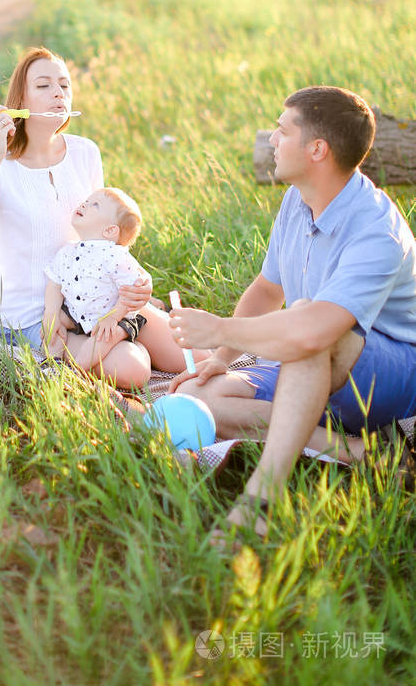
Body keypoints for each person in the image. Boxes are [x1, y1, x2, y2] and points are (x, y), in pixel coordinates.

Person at [168, 86, 416, 539]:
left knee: (308, 325)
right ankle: (360, 454)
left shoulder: (378, 231)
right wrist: (221, 356)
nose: (272, 141)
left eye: (282, 131)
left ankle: (258, 503)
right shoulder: (296, 202)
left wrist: (221, 328)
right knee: (202, 401)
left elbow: (313, 330)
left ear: (316, 149)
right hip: (312, 360)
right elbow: (266, 290)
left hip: (392, 372)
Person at [0, 46, 192, 387]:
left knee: (188, 354)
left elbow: (103, 238)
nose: (58, 93)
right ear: (20, 98)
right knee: (136, 369)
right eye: (44, 85)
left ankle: (127, 334)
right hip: (34, 314)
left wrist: (130, 291)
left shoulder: (84, 152)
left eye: (64, 85)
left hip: (95, 296)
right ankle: (119, 338)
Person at [44, 187, 181, 386]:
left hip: (113, 317)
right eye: (88, 200)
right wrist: (51, 312)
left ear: (110, 230)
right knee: (52, 325)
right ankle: (52, 362)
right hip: (77, 312)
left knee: (103, 338)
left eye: (95, 205)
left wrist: (113, 317)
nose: (84, 204)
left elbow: (130, 293)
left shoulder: (115, 256)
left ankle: (75, 371)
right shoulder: (67, 251)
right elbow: (54, 283)